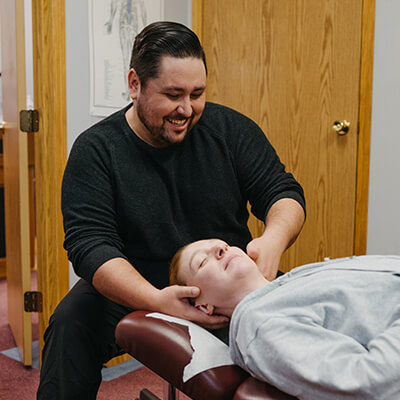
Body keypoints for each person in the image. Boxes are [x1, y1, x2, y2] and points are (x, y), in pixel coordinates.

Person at [37, 21, 305, 399]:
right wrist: (155, 299)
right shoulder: (97, 150)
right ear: (135, 84)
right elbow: (90, 246)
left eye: (197, 94)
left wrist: (272, 243)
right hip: (135, 282)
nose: (186, 109)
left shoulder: (230, 130)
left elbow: (283, 192)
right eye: (173, 94)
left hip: (221, 281)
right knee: (70, 326)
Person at [170, 238, 400, 400]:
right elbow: (368, 385)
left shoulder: (295, 280)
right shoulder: (260, 324)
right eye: (201, 262)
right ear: (204, 306)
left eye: (223, 245)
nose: (220, 249)